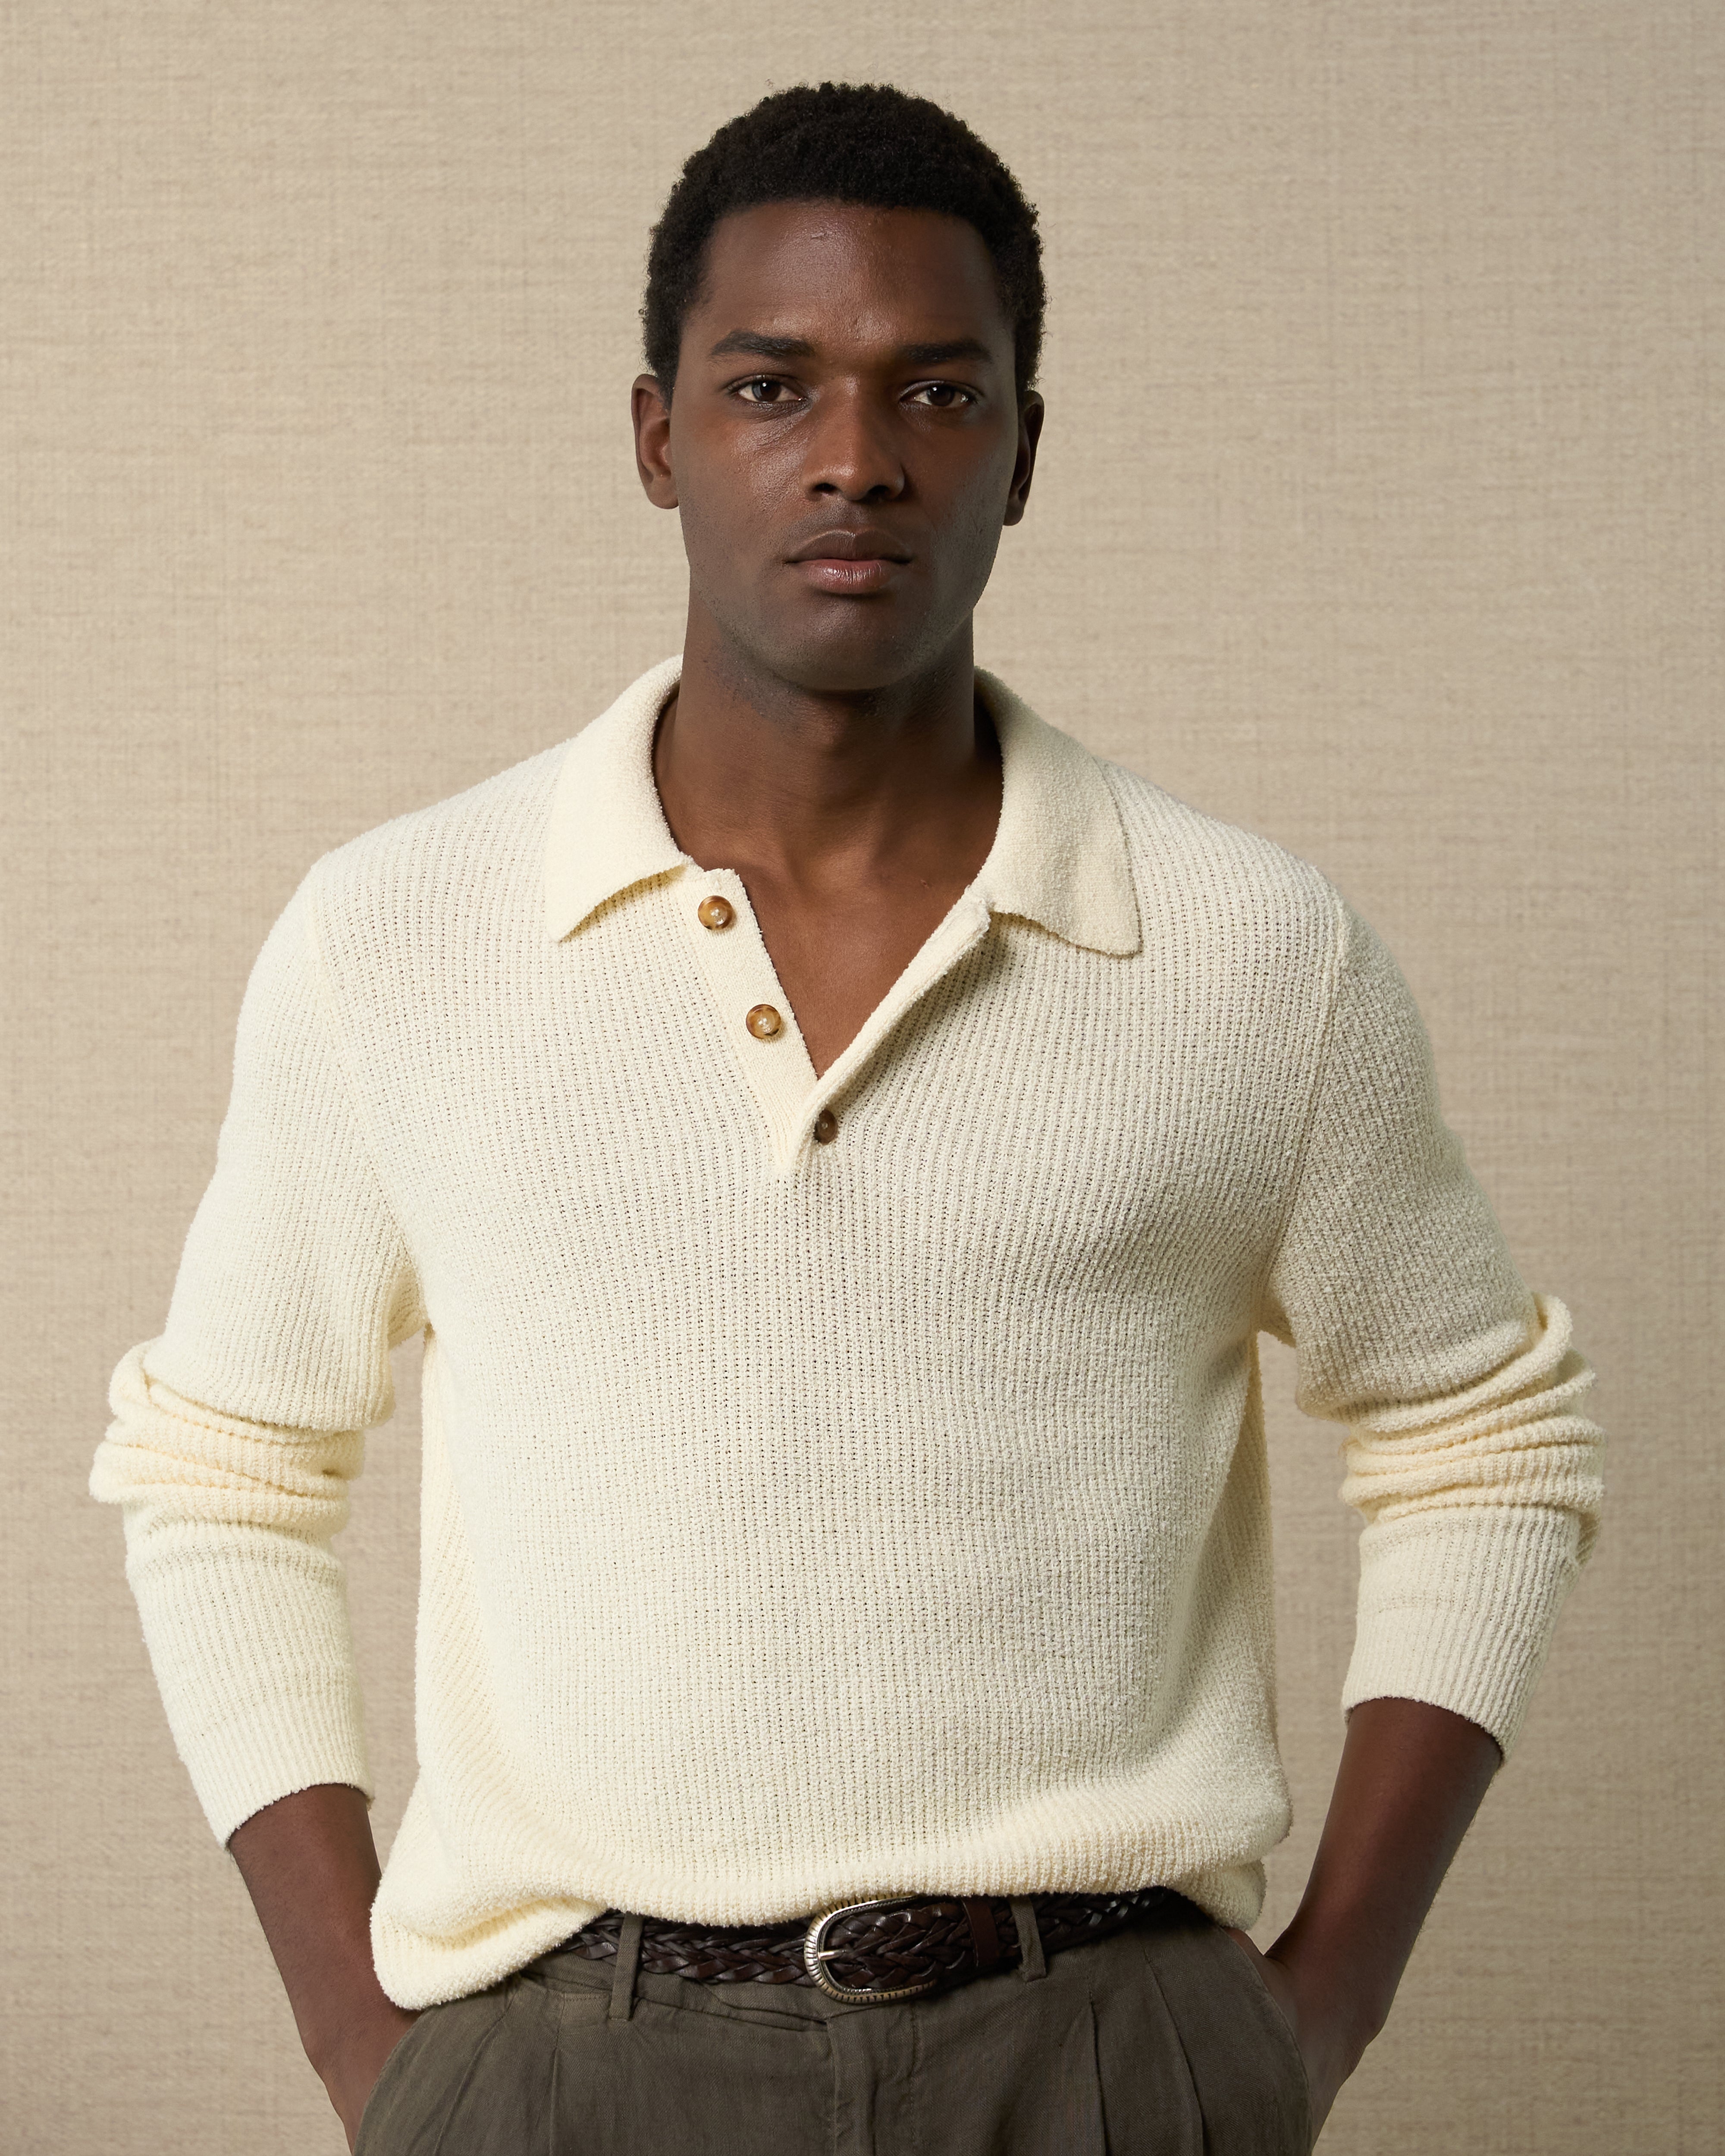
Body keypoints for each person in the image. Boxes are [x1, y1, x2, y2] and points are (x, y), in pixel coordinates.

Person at [92, 81, 1605, 2156]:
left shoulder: (1253, 953)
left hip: (1101, 2057)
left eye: (936, 392)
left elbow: (1481, 1435)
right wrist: (375, 2045)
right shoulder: (397, 939)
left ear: (1023, 450)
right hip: (558, 2066)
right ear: (657, 437)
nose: (854, 457)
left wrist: (1315, 2008)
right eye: (770, 384)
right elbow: (225, 1465)